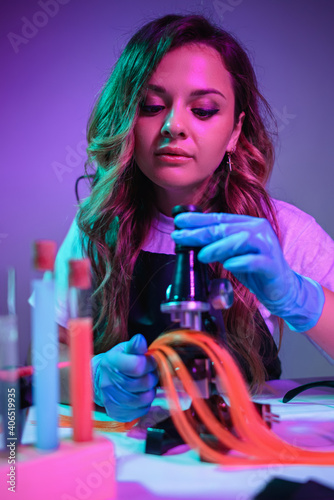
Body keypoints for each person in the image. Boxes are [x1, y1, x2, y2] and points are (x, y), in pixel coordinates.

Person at [55, 14, 334, 423]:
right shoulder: (96, 227)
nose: (174, 125)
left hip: (242, 463)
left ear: (236, 132)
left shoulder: (285, 231)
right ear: (127, 119)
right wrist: (91, 379)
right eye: (151, 106)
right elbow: (46, 360)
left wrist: (297, 296)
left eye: (203, 110)